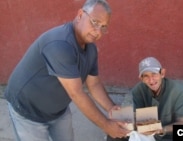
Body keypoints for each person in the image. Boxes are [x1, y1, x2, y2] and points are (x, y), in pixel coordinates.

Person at [4, 0, 129, 141]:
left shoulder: (91, 49)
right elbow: (76, 93)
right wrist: (106, 125)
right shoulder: (61, 44)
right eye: (95, 22)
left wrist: (112, 109)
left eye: (104, 27)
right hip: (28, 112)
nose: (98, 31)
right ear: (80, 14)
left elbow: (93, 84)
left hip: (57, 111)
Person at [107, 57, 183, 141]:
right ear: (141, 79)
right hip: (149, 133)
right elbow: (142, 120)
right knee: (115, 134)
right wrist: (122, 118)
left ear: (162, 73)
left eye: (154, 74)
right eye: (146, 76)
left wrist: (162, 130)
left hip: (168, 134)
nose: (151, 80)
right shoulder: (138, 90)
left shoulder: (179, 91)